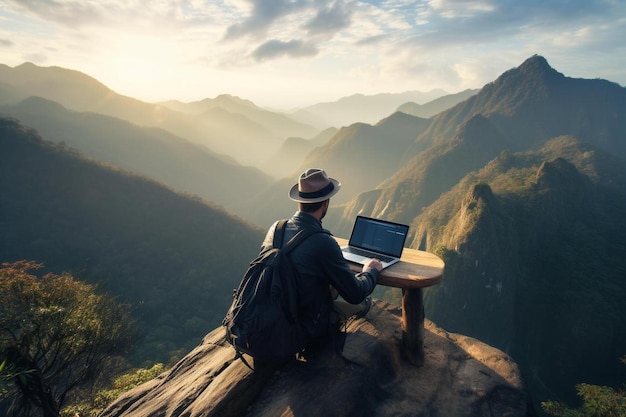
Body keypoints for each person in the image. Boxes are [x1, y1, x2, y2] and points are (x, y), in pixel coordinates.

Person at [260, 168, 383, 358]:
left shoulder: (276, 229)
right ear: (325, 203)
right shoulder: (323, 242)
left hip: (271, 315)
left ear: (300, 201)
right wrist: (370, 271)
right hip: (302, 326)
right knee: (363, 304)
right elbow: (355, 293)